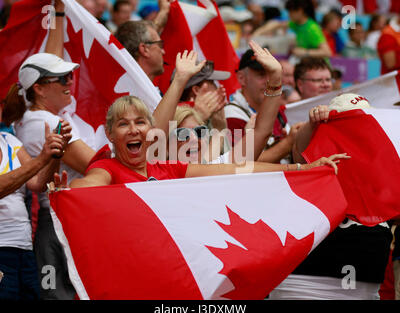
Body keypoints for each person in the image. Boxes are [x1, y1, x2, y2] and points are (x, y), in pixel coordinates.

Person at [51, 94, 347, 189]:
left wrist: (303, 170)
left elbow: (241, 169)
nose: (133, 130)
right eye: (123, 124)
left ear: (151, 131)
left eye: (140, 122)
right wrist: (70, 193)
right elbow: (88, 185)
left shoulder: (171, 169)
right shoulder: (108, 167)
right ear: (110, 134)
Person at [269, 93, 393, 300]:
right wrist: (313, 123)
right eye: (349, 122)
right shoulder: (319, 158)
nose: (358, 130)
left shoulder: (379, 159)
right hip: (306, 289)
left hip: (365, 290)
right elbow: (300, 152)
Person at [2, 50, 96, 299]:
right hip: (49, 226)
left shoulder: (15, 135)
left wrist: (53, 156)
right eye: (61, 78)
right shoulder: (38, 120)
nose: (70, 82)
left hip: (32, 239)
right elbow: (94, 164)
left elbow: (36, 182)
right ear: (39, 89)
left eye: (70, 76)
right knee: (55, 295)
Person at [0, 114, 71, 300]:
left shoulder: (9, 140)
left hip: (23, 247)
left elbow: (38, 183)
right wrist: (41, 158)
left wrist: (55, 154)